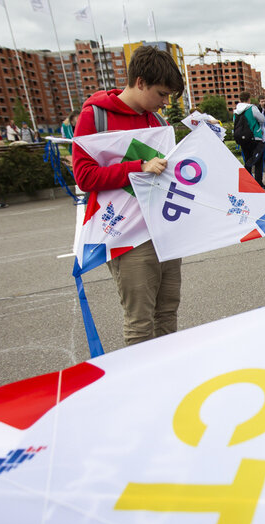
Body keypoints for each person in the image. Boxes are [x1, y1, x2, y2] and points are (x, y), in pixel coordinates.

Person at [72, 45, 185, 346]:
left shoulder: (157, 123)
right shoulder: (96, 117)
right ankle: (144, 387)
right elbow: (84, 177)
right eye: (161, 94)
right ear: (140, 83)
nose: (164, 103)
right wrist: (137, 168)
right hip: (126, 237)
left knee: (167, 311)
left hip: (162, 229)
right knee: (139, 320)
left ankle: (167, 375)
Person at [233, 91, 265, 188]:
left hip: (243, 139)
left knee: (247, 159)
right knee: (258, 160)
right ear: (249, 99)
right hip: (254, 136)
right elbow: (262, 119)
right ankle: (258, 183)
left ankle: (248, 183)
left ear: (240, 100)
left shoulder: (236, 111)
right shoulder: (252, 108)